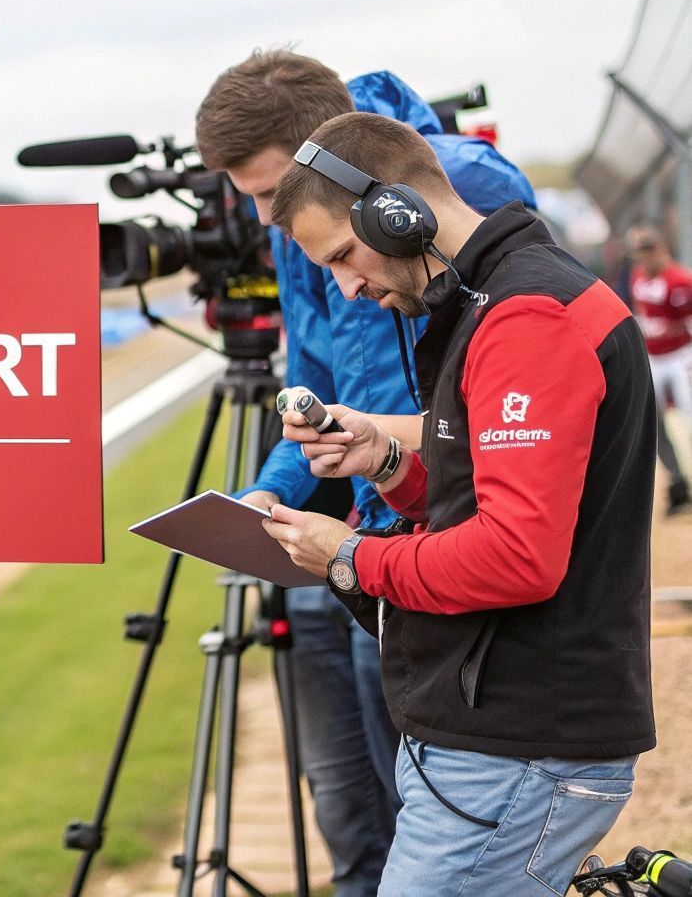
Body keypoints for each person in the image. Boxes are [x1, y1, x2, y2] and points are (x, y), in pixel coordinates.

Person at [262, 111, 654, 896]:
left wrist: (348, 556)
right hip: (494, 739)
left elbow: (516, 557)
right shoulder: (488, 302)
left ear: (397, 213)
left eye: (343, 256)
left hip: (518, 745)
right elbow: (495, 503)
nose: (348, 288)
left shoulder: (525, 317)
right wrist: (390, 466)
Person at [194, 50, 535, 897]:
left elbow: (515, 410)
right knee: (364, 817)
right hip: (368, 537)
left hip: (445, 550)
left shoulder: (462, 191)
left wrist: (389, 449)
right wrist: (268, 489)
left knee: (443, 835)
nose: (268, 219)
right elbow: (310, 388)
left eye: (274, 194)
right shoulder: (304, 230)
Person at [627, 224, 692, 514]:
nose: (645, 257)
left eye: (650, 250)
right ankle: (678, 483)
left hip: (682, 355)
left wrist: (668, 328)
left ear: (662, 249)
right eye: (640, 251)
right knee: (653, 421)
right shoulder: (638, 276)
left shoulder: (680, 280)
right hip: (654, 357)